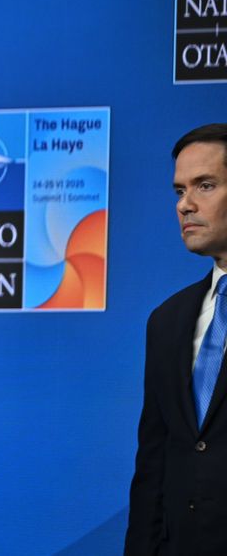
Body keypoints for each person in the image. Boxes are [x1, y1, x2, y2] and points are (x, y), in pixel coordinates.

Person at [127, 123, 227, 555]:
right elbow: (154, 465)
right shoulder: (166, 321)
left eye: (205, 185)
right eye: (179, 191)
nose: (185, 205)